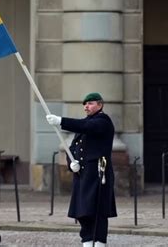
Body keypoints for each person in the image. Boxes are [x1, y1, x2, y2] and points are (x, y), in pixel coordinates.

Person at [46, 92, 117, 247]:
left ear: (100, 105)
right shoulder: (85, 124)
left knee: (97, 211)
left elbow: (87, 127)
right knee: (83, 211)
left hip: (98, 173)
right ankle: (86, 241)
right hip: (83, 175)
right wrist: (72, 162)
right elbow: (72, 147)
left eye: (90, 103)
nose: (86, 106)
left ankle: (98, 242)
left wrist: (61, 121)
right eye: (85, 104)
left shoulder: (102, 121)